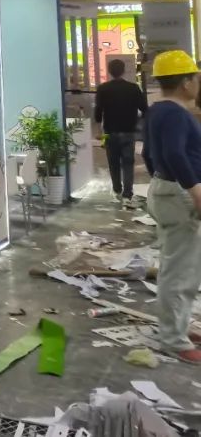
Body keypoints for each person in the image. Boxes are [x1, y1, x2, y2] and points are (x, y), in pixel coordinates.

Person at [143, 50, 201, 363]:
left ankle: (178, 326)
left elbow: (148, 154)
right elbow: (175, 154)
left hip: (165, 189)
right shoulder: (177, 114)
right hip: (179, 194)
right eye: (196, 78)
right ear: (185, 82)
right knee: (181, 271)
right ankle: (174, 340)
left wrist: (161, 181)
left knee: (174, 266)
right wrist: (195, 191)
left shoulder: (157, 110)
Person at [95, 58, 147, 206]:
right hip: (129, 132)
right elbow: (144, 108)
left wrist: (99, 132)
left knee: (113, 163)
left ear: (109, 71)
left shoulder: (103, 88)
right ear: (123, 70)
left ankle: (117, 189)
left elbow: (98, 112)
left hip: (110, 132)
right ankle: (127, 193)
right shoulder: (133, 88)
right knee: (128, 163)